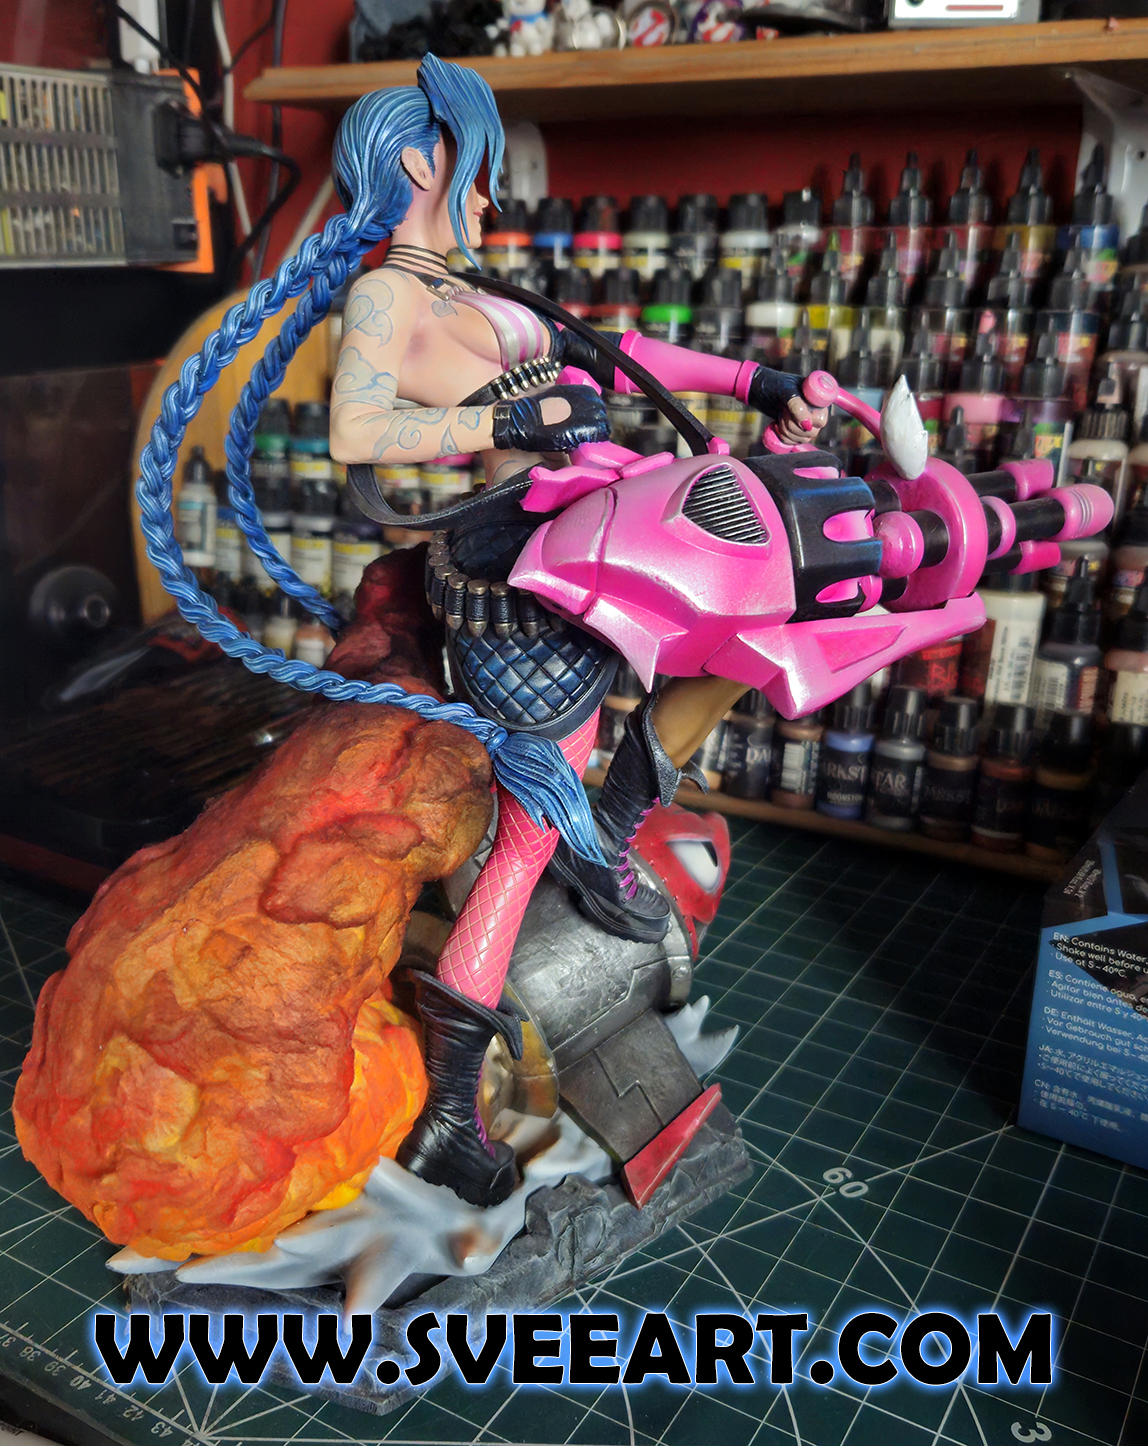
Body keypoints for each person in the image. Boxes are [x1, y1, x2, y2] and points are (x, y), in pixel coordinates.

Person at [323, 56, 830, 1207]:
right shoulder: (388, 296)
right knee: (520, 847)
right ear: (421, 162)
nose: (487, 194)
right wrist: (504, 415)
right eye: (474, 169)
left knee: (740, 639)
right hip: (512, 583)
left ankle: (602, 836)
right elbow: (357, 431)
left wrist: (755, 380)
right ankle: (448, 1116)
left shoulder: (470, 289)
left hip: (586, 551)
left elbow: (619, 355)